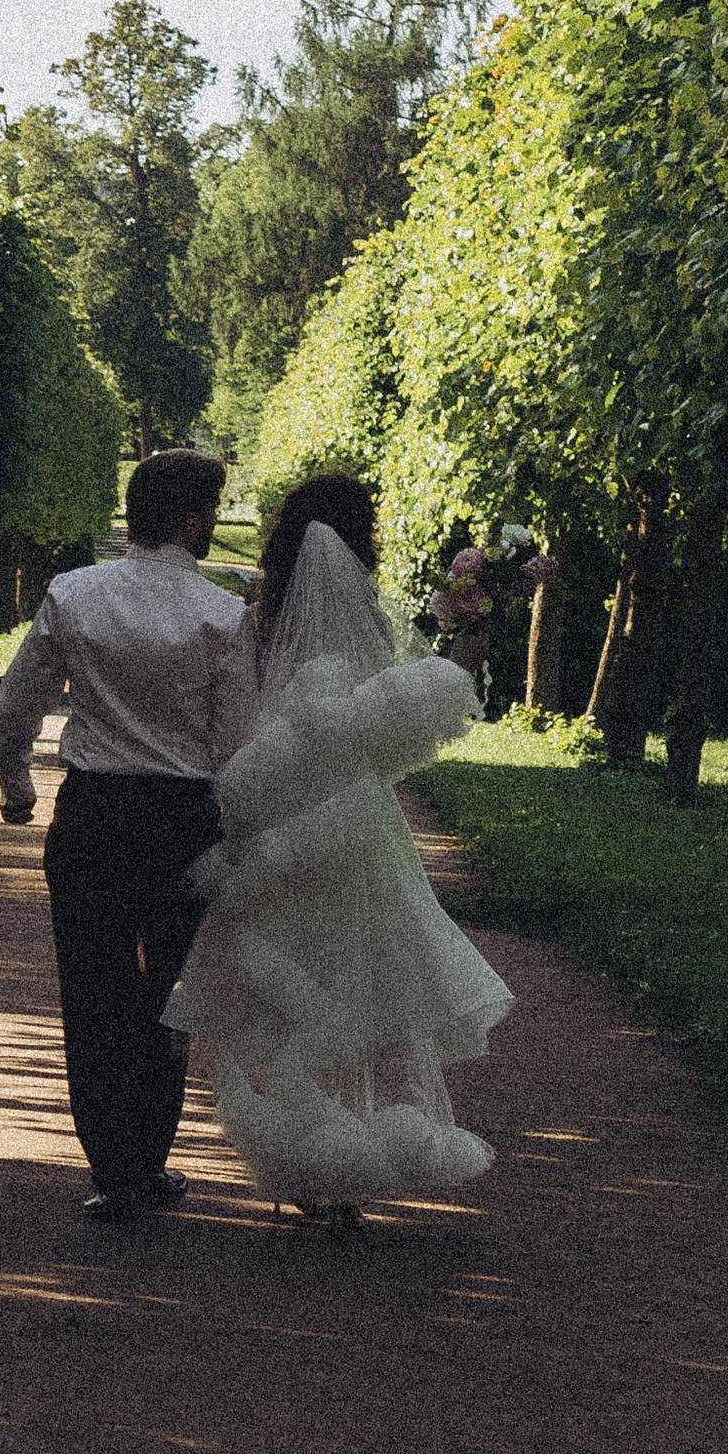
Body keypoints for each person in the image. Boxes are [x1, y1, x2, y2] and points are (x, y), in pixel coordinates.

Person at [167, 471, 512, 1226]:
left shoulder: (255, 619)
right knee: (356, 978)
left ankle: (306, 1154)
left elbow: (249, 725)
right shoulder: (365, 623)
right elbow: (379, 736)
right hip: (352, 826)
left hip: (272, 825)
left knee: (285, 995)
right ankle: (348, 1160)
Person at [0, 447, 257, 1222]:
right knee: (165, 991)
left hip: (95, 813)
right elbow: (236, 744)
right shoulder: (222, 616)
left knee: (91, 990)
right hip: (182, 821)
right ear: (192, 521)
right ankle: (148, 1154)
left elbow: (21, 702)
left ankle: (113, 1163)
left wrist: (16, 784)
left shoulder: (73, 594)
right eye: (211, 512)